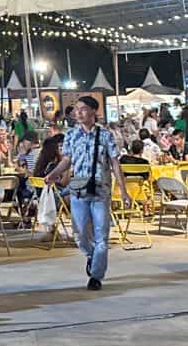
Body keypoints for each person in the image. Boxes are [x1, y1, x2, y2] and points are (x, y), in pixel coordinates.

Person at [44, 96, 129, 291]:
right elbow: (67, 160)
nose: (78, 113)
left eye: (83, 109)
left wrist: (123, 191)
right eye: (77, 109)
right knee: (80, 233)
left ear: (93, 112)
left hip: (101, 190)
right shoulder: (72, 135)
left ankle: (96, 276)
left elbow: (115, 164)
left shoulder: (106, 135)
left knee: (102, 236)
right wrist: (53, 174)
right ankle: (91, 256)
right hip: (79, 189)